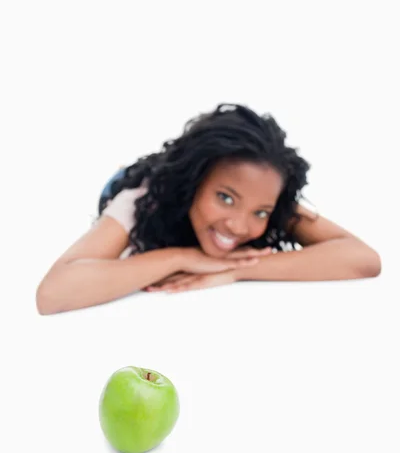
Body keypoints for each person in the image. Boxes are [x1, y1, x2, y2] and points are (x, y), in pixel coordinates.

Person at [36, 103, 381, 315]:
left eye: (260, 212)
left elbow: (364, 259)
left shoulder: (265, 199)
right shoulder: (141, 199)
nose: (239, 226)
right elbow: (52, 294)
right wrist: (180, 257)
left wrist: (235, 270)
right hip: (136, 180)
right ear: (194, 183)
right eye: (225, 198)